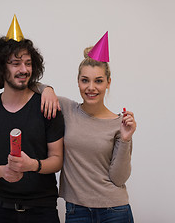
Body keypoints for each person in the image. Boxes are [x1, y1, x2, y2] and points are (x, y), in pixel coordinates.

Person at [0, 15, 65, 223]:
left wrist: (32, 165)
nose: (24, 70)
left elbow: (57, 159)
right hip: (0, 208)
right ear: (0, 68)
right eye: (15, 63)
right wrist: (3, 171)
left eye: (28, 63)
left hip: (43, 209)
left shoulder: (47, 107)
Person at [37, 32, 137, 223]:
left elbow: (119, 179)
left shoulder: (120, 123)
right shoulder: (66, 108)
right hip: (77, 211)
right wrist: (48, 89)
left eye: (98, 81)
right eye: (85, 80)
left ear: (108, 83)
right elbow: (32, 86)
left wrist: (125, 139)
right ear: (78, 82)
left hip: (115, 211)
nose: (91, 87)